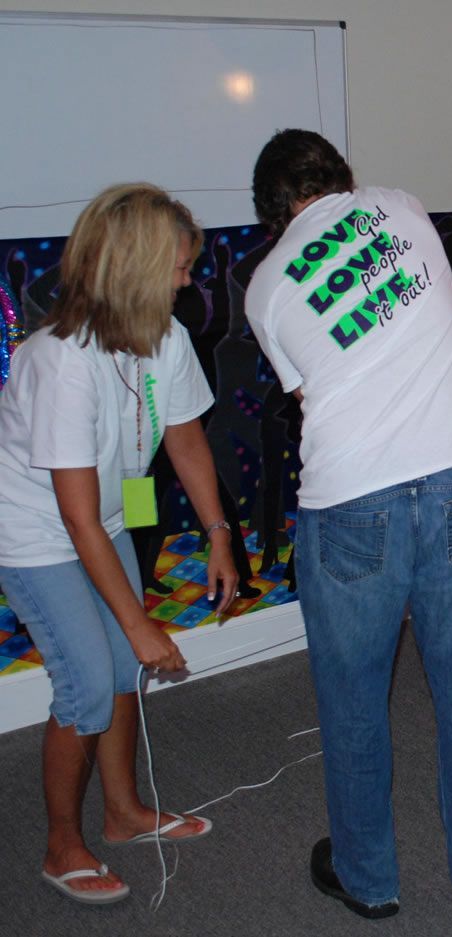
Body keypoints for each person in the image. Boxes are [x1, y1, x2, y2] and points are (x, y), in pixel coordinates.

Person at [245, 130, 452, 936]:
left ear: (272, 208)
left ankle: (369, 881)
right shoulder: (401, 207)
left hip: (351, 504)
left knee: (355, 703)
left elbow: (310, 400)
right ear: (339, 177)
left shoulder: (266, 287)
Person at [0, 184, 239, 904]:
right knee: (87, 684)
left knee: (121, 674)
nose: (188, 280)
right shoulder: (59, 359)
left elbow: (186, 437)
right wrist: (140, 625)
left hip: (98, 521)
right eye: (179, 266)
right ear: (134, 266)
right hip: (35, 531)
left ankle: (125, 813)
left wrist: (221, 535)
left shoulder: (165, 336)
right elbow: (73, 520)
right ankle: (58, 845)